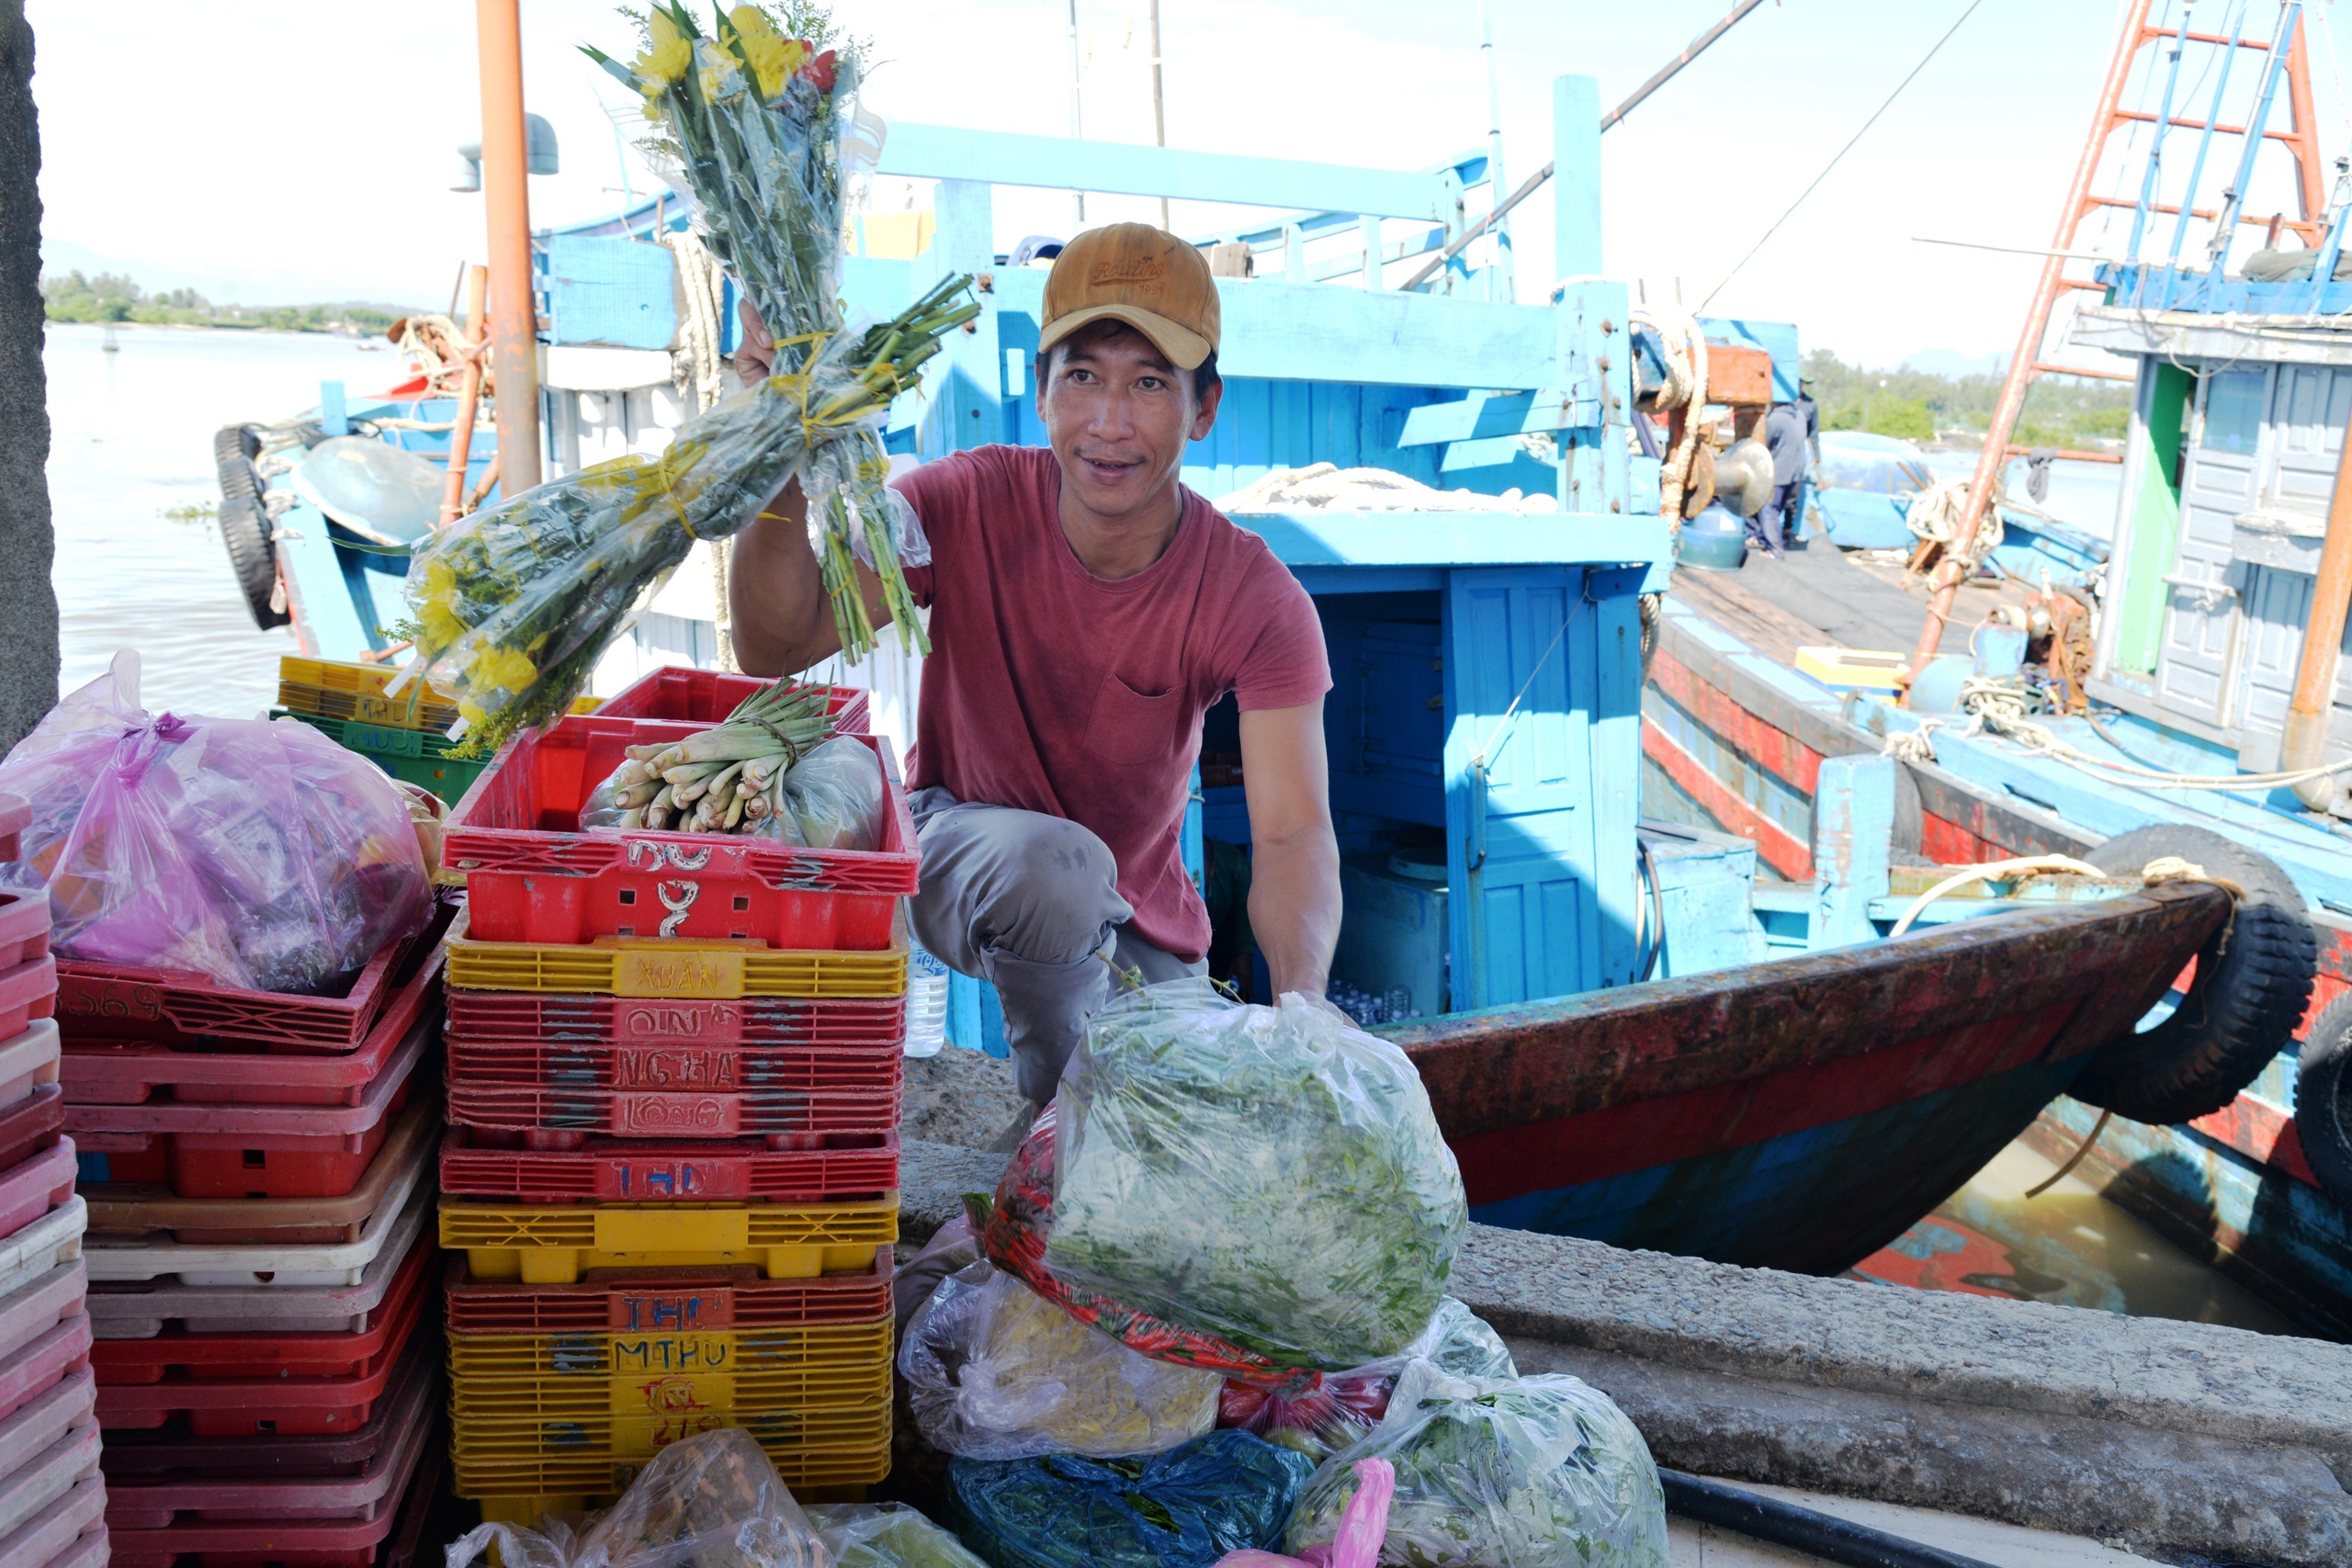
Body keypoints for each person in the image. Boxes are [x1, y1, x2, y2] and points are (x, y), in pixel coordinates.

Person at [727, 223, 1342, 1143]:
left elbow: (1293, 834)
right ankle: (1061, 1120)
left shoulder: (1255, 594)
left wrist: (1303, 1013)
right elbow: (774, 642)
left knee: (1208, 1131)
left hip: (1133, 917)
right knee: (1065, 915)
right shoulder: (960, 501)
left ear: (1203, 407)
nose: (1110, 422)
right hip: (962, 852)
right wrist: (776, 461)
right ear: (1041, 393)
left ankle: (1061, 1145)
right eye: (1083, 377)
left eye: (1149, 384)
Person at [1762, 399, 1809, 556]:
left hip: (1781, 471)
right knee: (1780, 507)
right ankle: (1765, 539)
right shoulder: (1800, 415)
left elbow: (1763, 445)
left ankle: (1775, 549)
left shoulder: (1775, 418)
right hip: (1797, 471)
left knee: (1770, 509)